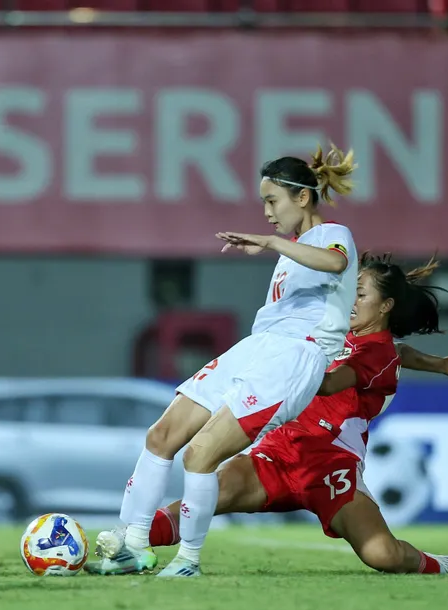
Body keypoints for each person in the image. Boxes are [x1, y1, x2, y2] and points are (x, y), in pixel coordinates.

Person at [88, 255, 448, 577]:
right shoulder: (341, 333)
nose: (349, 298)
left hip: (330, 470)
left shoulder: (377, 353)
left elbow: (332, 382)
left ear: (384, 306)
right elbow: (405, 353)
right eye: (350, 289)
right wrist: (440, 364)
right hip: (276, 456)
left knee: (382, 554)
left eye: (360, 293)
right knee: (203, 499)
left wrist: (281, 363)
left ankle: (440, 564)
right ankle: (122, 547)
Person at [97, 144, 360, 577]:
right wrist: (281, 245)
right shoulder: (292, 250)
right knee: (163, 435)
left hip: (295, 357)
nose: (268, 213)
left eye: (272, 201)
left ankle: (187, 562)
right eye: (264, 203)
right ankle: (132, 543)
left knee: (200, 454)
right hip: (257, 347)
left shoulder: (334, 234)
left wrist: (274, 242)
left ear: (302, 197)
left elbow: (335, 262)